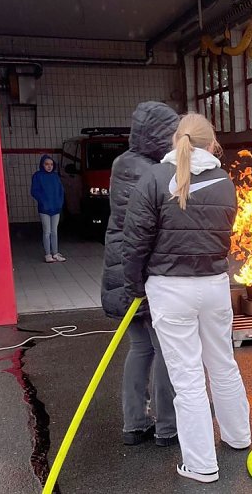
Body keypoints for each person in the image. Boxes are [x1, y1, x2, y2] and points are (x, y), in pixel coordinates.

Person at [122, 112, 250, 483]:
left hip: (170, 289)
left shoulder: (155, 178)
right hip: (213, 286)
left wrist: (136, 289)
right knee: (223, 363)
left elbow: (135, 244)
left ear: (176, 140)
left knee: (188, 379)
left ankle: (200, 465)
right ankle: (238, 436)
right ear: (212, 144)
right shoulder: (225, 182)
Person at [101, 101, 179, 447]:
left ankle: (135, 423)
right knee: (164, 349)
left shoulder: (123, 164)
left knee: (140, 347)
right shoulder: (152, 172)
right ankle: (168, 426)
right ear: (159, 136)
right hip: (143, 275)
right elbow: (151, 230)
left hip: (120, 271)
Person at [31, 154, 66, 263]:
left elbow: (61, 191)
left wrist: (60, 203)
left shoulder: (55, 176)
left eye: (51, 164)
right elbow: (34, 191)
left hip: (55, 208)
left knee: (54, 231)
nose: (49, 166)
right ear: (42, 165)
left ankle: (55, 253)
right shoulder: (38, 176)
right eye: (46, 164)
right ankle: (47, 254)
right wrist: (43, 202)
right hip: (44, 209)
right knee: (47, 231)